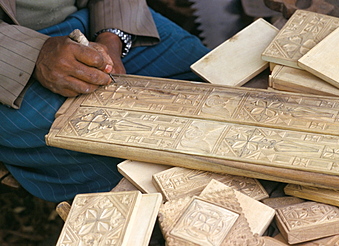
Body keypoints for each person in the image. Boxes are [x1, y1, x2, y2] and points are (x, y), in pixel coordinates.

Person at [0, 0, 209, 203]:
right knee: (113, 149)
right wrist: (34, 54)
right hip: (9, 48)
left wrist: (112, 39)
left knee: (206, 83)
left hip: (91, 16)